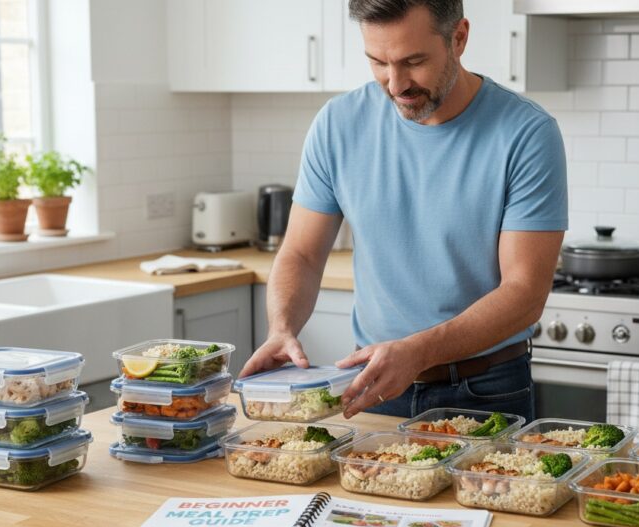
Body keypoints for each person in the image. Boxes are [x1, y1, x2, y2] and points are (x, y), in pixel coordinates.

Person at [239, 0, 567, 421]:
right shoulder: (337, 123)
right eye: (378, 62)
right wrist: (281, 328)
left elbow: (524, 294)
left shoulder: (526, 133)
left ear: (459, 38)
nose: (395, 84)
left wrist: (418, 352)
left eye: (413, 61)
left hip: (485, 390)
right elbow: (301, 254)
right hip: (372, 383)